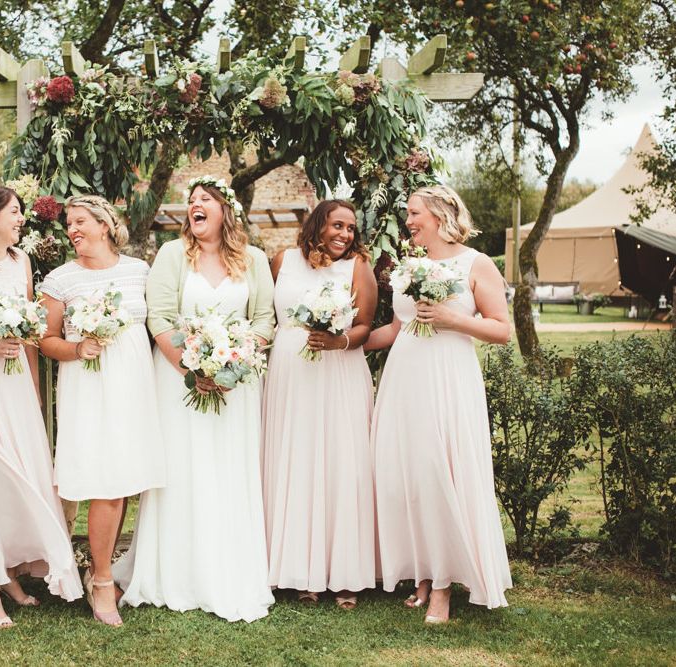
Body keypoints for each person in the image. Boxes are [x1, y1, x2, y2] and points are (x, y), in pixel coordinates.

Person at [113, 176, 275, 623]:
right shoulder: (171, 255)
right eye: (192, 201)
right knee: (182, 469)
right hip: (178, 382)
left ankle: (228, 568)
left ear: (226, 210)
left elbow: (264, 320)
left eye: (206, 200)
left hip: (237, 385)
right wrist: (192, 368)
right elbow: (160, 317)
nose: (195, 206)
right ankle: (173, 571)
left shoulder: (255, 260)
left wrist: (235, 361)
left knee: (227, 468)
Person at [366, 185, 512, 624]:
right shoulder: (410, 266)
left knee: (440, 470)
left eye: (414, 213)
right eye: (408, 215)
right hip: (404, 376)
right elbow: (395, 328)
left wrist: (452, 319)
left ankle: (445, 587)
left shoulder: (476, 262)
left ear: (440, 214)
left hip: (448, 377)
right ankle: (424, 572)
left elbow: (502, 330)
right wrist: (344, 343)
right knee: (405, 474)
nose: (408, 221)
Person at [0, 186, 82, 628]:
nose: (22, 217)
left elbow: (27, 329)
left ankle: (10, 571)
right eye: (15, 211)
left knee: (24, 471)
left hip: (13, 384)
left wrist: (34, 392)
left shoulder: (22, 261)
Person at [39, 194, 165, 626]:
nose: (72, 230)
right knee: (104, 482)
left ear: (106, 224)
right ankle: (103, 581)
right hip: (88, 386)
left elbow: (160, 322)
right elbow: (46, 340)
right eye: (69, 225)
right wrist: (77, 348)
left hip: (134, 387)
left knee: (125, 479)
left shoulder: (140, 272)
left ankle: (101, 567)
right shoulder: (60, 280)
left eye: (80, 222)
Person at [262, 200, 378, 609]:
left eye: (350, 228)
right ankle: (298, 572)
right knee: (294, 462)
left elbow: (365, 325)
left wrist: (338, 341)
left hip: (339, 373)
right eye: (337, 225)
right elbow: (266, 316)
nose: (345, 234)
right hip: (289, 374)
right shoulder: (282, 261)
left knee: (340, 464)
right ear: (318, 225)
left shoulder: (358, 267)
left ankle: (346, 573)